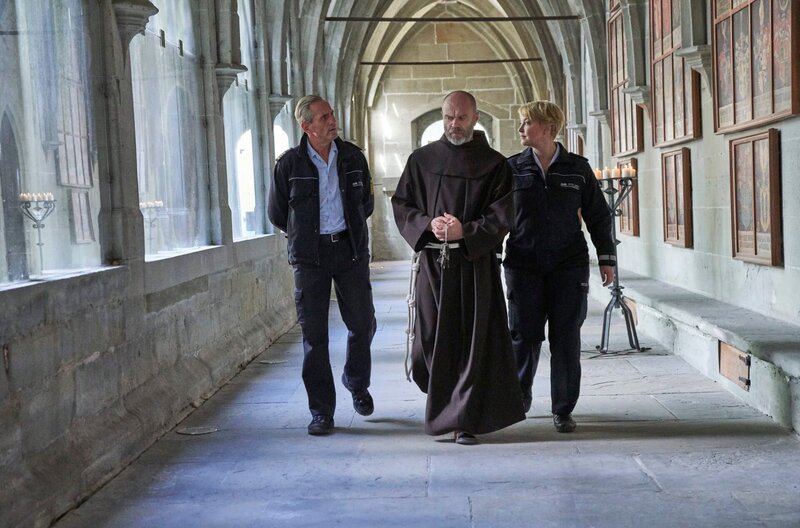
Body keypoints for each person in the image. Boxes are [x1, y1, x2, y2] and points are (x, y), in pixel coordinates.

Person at [392, 90, 525, 445]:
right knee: (432, 339)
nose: (455, 124)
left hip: (473, 266)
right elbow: (402, 204)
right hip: (433, 266)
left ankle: (464, 420)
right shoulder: (421, 160)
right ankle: (445, 405)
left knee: (470, 342)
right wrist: (427, 224)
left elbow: (502, 215)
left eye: (462, 118)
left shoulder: (495, 164)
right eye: (449, 117)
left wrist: (464, 230)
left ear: (475, 118)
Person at [504, 100, 615, 433]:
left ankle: (562, 409)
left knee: (566, 338)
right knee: (524, 336)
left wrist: (607, 257)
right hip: (523, 265)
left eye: (526, 122)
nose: (521, 128)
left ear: (548, 127)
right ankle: (518, 400)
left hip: (569, 265)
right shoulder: (511, 169)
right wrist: (489, 255)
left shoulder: (577, 169)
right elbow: (496, 218)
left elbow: (598, 215)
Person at [268, 94, 376, 436]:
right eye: (324, 116)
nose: (332, 120)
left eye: (332, 114)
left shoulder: (353, 158)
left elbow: (366, 204)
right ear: (306, 126)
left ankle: (356, 382)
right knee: (314, 337)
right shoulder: (289, 165)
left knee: (362, 323)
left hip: (349, 251)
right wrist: (306, 236)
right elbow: (277, 213)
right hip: (310, 258)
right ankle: (321, 412)